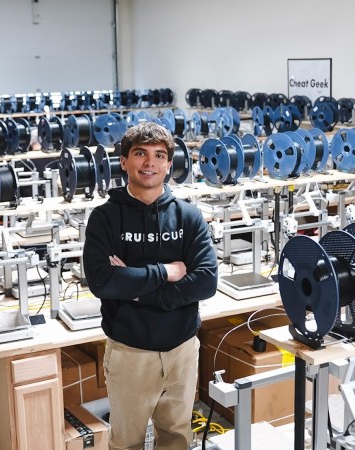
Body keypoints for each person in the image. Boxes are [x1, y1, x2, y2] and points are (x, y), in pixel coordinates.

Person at [82, 122, 218, 450]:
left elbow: (206, 282)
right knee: (126, 442)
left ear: (169, 164)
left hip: (182, 350)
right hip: (130, 352)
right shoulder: (105, 218)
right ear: (123, 161)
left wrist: (135, 287)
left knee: (177, 438)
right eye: (140, 153)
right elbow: (102, 281)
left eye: (159, 155)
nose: (150, 163)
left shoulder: (188, 217)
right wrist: (166, 271)